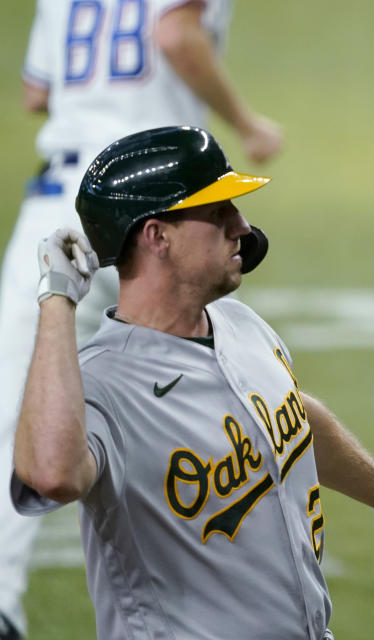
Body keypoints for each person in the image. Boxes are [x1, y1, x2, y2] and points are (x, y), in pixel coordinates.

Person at [9, 126, 374, 640]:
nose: (243, 227)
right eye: (219, 213)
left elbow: (291, 418)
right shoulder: (104, 385)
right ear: (157, 236)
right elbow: (50, 474)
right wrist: (56, 301)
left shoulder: (240, 324)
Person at [0, 2, 284, 635]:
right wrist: (246, 122)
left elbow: (35, 91)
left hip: (61, 202)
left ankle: (1, 603)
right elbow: (175, 32)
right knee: (219, 381)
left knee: (20, 408)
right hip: (170, 203)